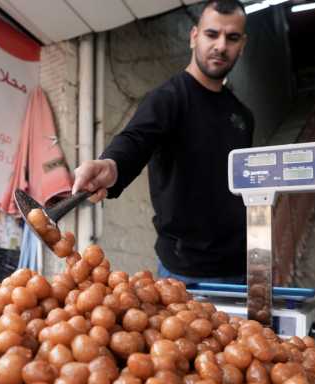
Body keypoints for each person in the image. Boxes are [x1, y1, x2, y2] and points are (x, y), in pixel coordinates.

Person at [72, 0, 254, 286]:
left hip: (239, 269)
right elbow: (136, 138)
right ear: (194, 36)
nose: (221, 46)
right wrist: (112, 164)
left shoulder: (242, 116)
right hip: (183, 272)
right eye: (211, 34)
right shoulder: (169, 97)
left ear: (242, 44)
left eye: (232, 38)